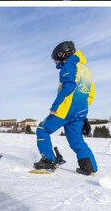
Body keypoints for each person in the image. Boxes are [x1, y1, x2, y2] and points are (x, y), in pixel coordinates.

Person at [34, 41, 97, 175]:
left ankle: (49, 161)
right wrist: (82, 114)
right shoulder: (85, 70)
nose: (55, 63)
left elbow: (68, 87)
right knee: (76, 140)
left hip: (66, 110)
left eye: (55, 59)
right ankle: (89, 168)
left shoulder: (69, 65)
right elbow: (91, 94)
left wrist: (55, 106)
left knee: (42, 129)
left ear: (61, 54)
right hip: (79, 112)